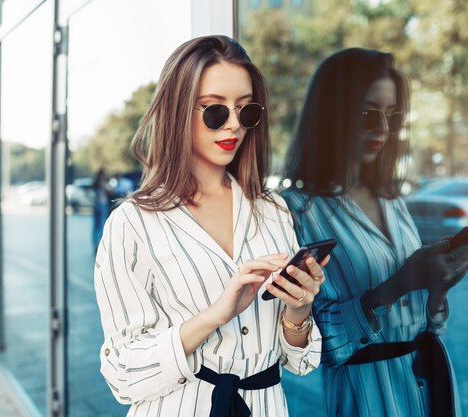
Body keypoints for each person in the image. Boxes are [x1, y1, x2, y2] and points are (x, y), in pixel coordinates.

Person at [94, 35, 328, 417]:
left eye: (246, 111)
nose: (234, 126)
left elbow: (300, 362)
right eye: (214, 111)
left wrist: (299, 310)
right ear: (177, 111)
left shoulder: (273, 211)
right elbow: (122, 374)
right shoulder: (132, 224)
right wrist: (217, 314)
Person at [281, 48, 468, 417]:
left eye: (392, 116)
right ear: (332, 116)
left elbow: (427, 321)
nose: (383, 130)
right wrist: (394, 287)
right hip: (367, 395)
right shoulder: (296, 210)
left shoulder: (391, 199)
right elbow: (304, 346)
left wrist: (438, 288)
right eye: (367, 115)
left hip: (428, 384)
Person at [92, 169, 111, 254]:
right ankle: (97, 244)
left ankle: (97, 244)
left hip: (99, 205)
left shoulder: (98, 184)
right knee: (99, 226)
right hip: (100, 205)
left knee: (97, 226)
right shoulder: (100, 184)